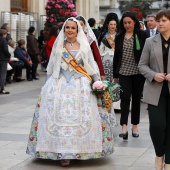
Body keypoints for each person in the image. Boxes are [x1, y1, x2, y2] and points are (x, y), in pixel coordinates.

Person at [26, 17, 114, 167]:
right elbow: (52, 65)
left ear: (78, 30)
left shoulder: (84, 46)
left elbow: (91, 65)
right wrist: (47, 86)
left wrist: (97, 82)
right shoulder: (59, 45)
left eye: (73, 28)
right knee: (56, 116)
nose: (70, 30)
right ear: (64, 30)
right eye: (67, 28)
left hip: (80, 84)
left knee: (83, 117)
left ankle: (80, 149)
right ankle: (61, 152)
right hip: (59, 82)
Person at [138, 9, 170, 170]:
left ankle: (169, 161)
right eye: (159, 20)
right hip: (154, 90)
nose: (160, 23)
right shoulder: (150, 41)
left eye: (164, 20)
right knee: (157, 125)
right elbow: (142, 65)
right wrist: (153, 74)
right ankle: (159, 155)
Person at [113, 11, 148, 140]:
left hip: (138, 72)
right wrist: (115, 74)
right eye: (125, 23)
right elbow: (116, 56)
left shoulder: (142, 35)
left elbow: (146, 54)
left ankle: (134, 126)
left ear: (134, 22)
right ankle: (123, 126)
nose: (127, 25)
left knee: (136, 99)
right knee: (125, 98)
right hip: (123, 72)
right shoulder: (120, 36)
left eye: (129, 22)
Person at [98, 12, 120, 110]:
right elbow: (100, 50)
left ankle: (116, 105)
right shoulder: (104, 36)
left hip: (116, 61)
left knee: (116, 81)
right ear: (108, 25)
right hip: (105, 61)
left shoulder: (119, 36)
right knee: (106, 82)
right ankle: (106, 101)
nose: (112, 26)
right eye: (111, 24)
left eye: (114, 25)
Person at [76, 15, 105, 80]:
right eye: (77, 24)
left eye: (81, 24)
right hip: (74, 66)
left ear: (85, 25)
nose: (79, 27)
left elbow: (97, 55)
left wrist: (102, 73)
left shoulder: (89, 37)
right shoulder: (71, 37)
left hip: (88, 67)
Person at [0, 29, 11, 94]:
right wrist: (9, 55)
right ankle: (2, 88)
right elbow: (5, 50)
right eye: (6, 34)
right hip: (3, 59)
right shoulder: (4, 41)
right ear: (3, 34)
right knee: (3, 74)